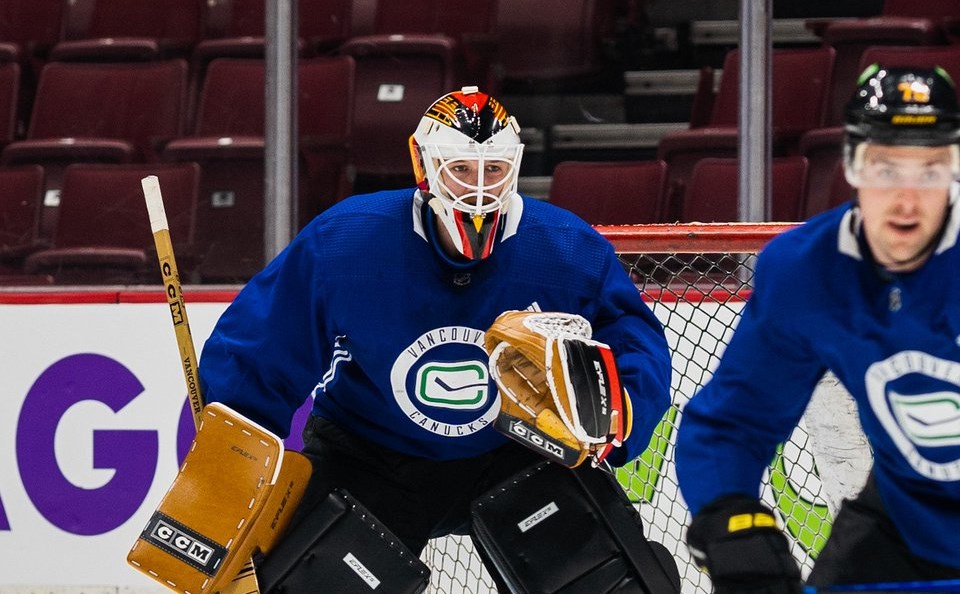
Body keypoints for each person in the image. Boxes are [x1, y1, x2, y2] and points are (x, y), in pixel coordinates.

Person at [197, 86, 673, 583]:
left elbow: (634, 340)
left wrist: (615, 418)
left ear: (514, 166)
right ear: (425, 166)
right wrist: (232, 460)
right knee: (305, 584)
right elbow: (262, 350)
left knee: (616, 583)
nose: (479, 188)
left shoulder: (567, 249)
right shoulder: (346, 241)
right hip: (372, 455)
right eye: (461, 168)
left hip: (517, 454)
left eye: (493, 169)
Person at [674, 63, 960, 594]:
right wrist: (728, 513)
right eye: (885, 168)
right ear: (851, 164)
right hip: (905, 524)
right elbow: (735, 422)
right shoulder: (808, 269)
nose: (906, 199)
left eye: (930, 170)